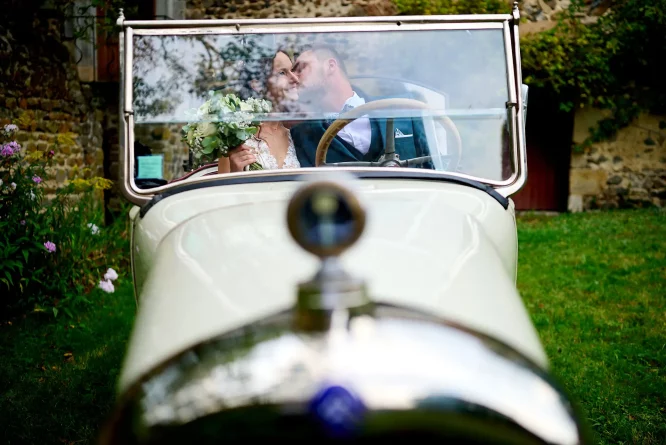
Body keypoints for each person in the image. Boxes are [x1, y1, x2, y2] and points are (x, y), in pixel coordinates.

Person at [289, 45, 430, 167]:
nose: (293, 77)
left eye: (300, 68)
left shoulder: (403, 109)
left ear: (330, 66)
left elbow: (431, 166)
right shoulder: (301, 135)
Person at [218, 50, 301, 173]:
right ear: (257, 84)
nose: (295, 79)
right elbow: (222, 191)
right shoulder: (236, 137)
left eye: (292, 70)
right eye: (282, 73)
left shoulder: (297, 134)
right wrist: (236, 172)